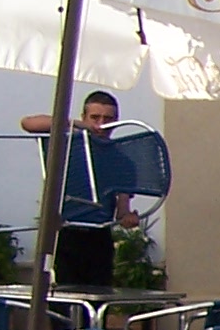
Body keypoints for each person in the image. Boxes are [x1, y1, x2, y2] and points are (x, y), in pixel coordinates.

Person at [20, 91, 139, 230]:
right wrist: (77, 125)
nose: (101, 124)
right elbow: (28, 123)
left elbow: (122, 211)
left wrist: (128, 218)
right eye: (95, 117)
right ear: (84, 118)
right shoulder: (67, 142)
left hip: (98, 233)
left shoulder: (122, 161)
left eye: (108, 119)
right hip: (59, 231)